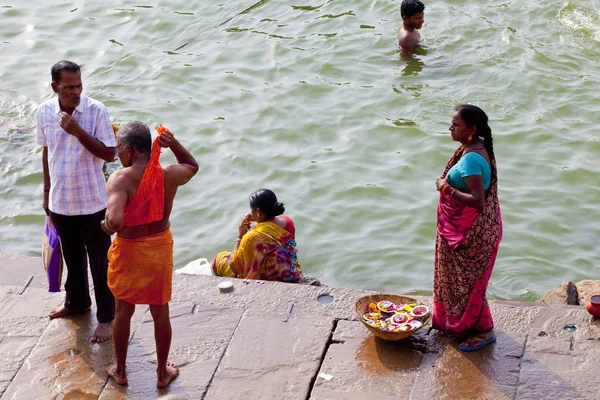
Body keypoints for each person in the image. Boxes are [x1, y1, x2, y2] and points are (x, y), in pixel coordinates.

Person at [101, 121, 198, 388]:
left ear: (130, 151)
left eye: (119, 147)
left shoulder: (121, 178)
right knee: (160, 311)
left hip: (130, 252)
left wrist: (106, 224)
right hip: (157, 249)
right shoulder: (167, 174)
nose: (118, 153)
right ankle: (161, 374)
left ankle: (120, 370)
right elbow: (192, 166)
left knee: (123, 311)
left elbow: (116, 220)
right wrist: (174, 143)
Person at [37, 60, 116, 342]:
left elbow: (109, 154)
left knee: (100, 261)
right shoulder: (44, 111)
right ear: (55, 87)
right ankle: (77, 303)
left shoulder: (95, 110)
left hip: (93, 201)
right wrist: (47, 193)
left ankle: (107, 317)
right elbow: (47, 152)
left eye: (79, 85)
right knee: (71, 257)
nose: (76, 91)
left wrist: (78, 132)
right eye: (69, 86)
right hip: (61, 200)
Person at [432, 104, 502, 351]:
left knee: (468, 284)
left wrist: (445, 188)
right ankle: (462, 324)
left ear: (471, 130)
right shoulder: (478, 147)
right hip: (474, 229)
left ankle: (484, 331)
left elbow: (478, 201)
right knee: (466, 282)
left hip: (469, 233)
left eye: (455, 125)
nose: (450, 128)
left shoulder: (472, 159)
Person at [212, 189, 302, 282]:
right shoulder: (288, 223)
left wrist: (239, 236)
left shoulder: (252, 237)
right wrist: (258, 217)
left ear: (258, 211)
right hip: (287, 273)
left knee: (220, 258)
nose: (251, 213)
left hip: (265, 280)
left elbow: (234, 266)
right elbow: (272, 223)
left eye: (252, 210)